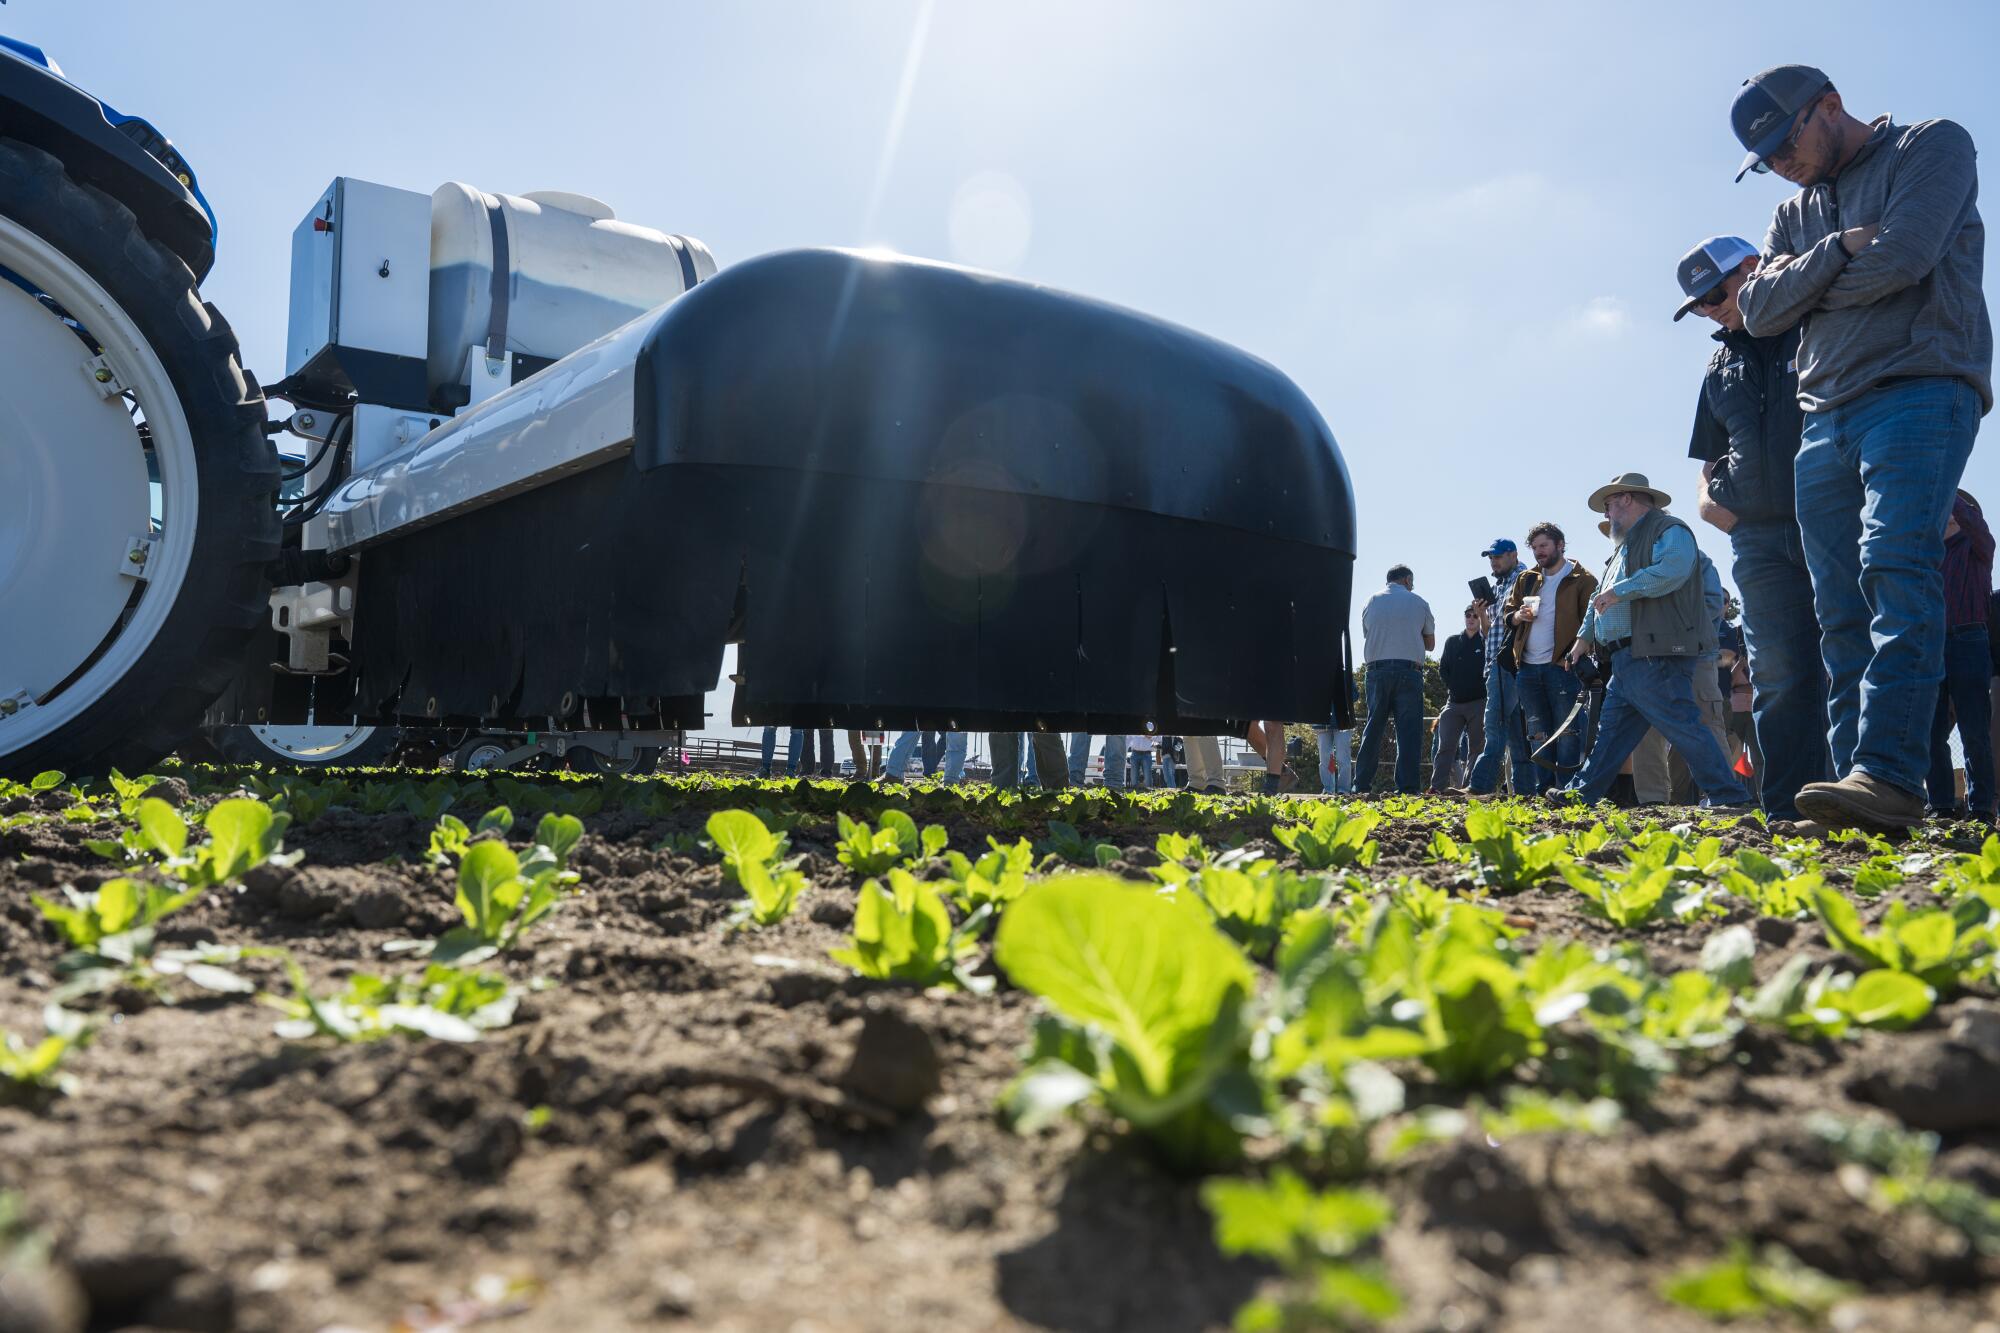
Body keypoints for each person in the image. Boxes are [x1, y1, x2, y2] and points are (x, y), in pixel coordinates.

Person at [1732, 64, 1991, 829]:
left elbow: (1905, 257)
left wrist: (1804, 290)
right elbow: (1757, 308)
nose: (1782, 162)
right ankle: (1853, 789)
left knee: (1895, 565)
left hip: (1921, 388)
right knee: (1838, 608)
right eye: (1766, 157)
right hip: (1824, 417)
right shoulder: (1792, 214)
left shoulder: (1932, 146)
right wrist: (1838, 252)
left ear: (1831, 107)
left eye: (1787, 140)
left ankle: (1890, 776)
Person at [1676, 232, 1834, 823]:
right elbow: (1707, 456)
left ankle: (1868, 796)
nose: (1710, 310)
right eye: (1698, 305)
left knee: (1849, 652)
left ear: (1753, 267)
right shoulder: (1718, 363)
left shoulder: (1817, 320)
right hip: (1757, 537)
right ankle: (1790, 809)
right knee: (1778, 672)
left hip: (1830, 517)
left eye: (1716, 293)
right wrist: (1707, 503)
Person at [1562, 473, 1753, 808]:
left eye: (1608, 506)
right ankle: (1581, 793)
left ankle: (1728, 795)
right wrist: (1583, 638)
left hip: (1654, 651)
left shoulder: (1670, 530)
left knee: (1683, 726)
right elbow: (1598, 596)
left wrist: (1619, 591)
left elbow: (1673, 570)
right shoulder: (1624, 547)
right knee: (1613, 733)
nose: (1606, 515)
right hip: (1629, 657)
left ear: (1625, 499)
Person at [1500, 523, 1599, 792]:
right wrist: (1518, 615)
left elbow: (1592, 624)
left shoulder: (1584, 579)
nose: (1538, 552)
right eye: (1534, 548)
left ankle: (1566, 790)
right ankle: (1544, 790)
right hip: (1527, 668)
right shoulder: (1527, 578)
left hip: (1564, 666)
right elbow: (1508, 615)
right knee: (1537, 733)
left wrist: (1580, 652)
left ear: (1560, 544)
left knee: (1568, 732)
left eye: (1543, 545)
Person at [1925, 492, 1997, 820]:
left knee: (1974, 728)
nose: (1950, 516)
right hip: (1931, 645)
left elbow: (1970, 519)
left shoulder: (1978, 547)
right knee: (1932, 729)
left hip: (1970, 640)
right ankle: (1940, 804)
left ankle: (1981, 806)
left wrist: (1946, 487)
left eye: (1955, 511)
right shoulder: (1927, 558)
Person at [1354, 564, 1434, 795]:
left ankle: (1361, 785)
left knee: (1373, 729)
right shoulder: (1419, 602)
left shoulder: (1371, 601)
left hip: (1377, 670)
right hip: (1409, 671)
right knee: (1408, 732)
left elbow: (1369, 632)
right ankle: (1407, 788)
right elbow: (1430, 644)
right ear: (1407, 580)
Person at [1465, 539, 1533, 794]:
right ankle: (1527, 791)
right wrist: (1482, 614)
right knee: (1516, 732)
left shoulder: (1523, 578)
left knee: (1494, 724)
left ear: (1513, 555)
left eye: (1498, 556)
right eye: (1490, 557)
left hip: (1508, 662)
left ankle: (1478, 785)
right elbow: (1489, 632)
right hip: (1496, 661)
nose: (1493, 561)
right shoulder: (1498, 586)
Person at [1430, 603, 1486, 791]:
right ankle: (1436, 787)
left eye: (1475, 616)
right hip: (1453, 703)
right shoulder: (1452, 641)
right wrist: (1454, 687)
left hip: (1478, 702)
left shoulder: (1485, 641)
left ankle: (1470, 788)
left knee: (1476, 749)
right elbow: (1443, 669)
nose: (1471, 618)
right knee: (1445, 747)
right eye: (1468, 615)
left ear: (1480, 619)